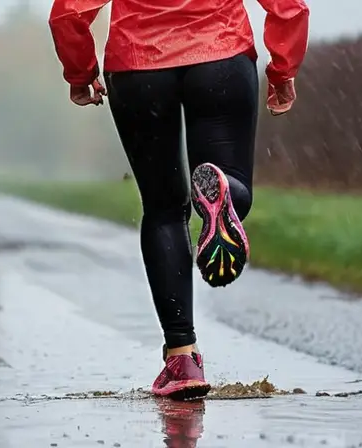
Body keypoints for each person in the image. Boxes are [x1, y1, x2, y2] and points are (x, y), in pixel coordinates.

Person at [48, 0, 310, 400]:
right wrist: (282, 68)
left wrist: (80, 72)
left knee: (163, 210)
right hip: (222, 57)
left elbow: (67, 13)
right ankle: (222, 191)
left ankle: (182, 357)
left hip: (138, 67)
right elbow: (290, 8)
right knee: (233, 181)